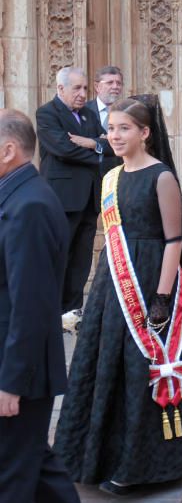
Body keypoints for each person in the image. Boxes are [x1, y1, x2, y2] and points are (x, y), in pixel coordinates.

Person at [54, 95, 182, 496]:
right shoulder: (111, 177)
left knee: (139, 368)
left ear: (145, 133)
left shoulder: (161, 177)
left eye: (124, 128)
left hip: (149, 280)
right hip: (115, 281)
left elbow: (174, 240)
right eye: (110, 128)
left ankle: (142, 465)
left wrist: (162, 297)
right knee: (104, 364)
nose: (114, 135)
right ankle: (98, 457)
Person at [0, 109, 80, 503]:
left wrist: (11, 382)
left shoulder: (28, 206)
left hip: (18, 371)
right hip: (16, 365)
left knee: (11, 477)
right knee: (36, 468)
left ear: (8, 151)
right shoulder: (16, 196)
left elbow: (30, 306)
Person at [35, 66, 106, 314]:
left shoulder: (88, 114)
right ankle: (53, 311)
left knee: (81, 259)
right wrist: (98, 153)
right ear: (60, 88)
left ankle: (73, 311)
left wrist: (92, 144)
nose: (82, 93)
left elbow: (108, 144)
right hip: (63, 199)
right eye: (77, 88)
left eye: (85, 88)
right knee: (60, 255)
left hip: (89, 199)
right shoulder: (47, 113)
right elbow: (63, 149)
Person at [86, 65, 125, 176]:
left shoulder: (128, 112)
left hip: (119, 174)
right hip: (90, 176)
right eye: (110, 83)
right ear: (97, 86)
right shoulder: (83, 111)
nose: (115, 86)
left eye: (119, 83)